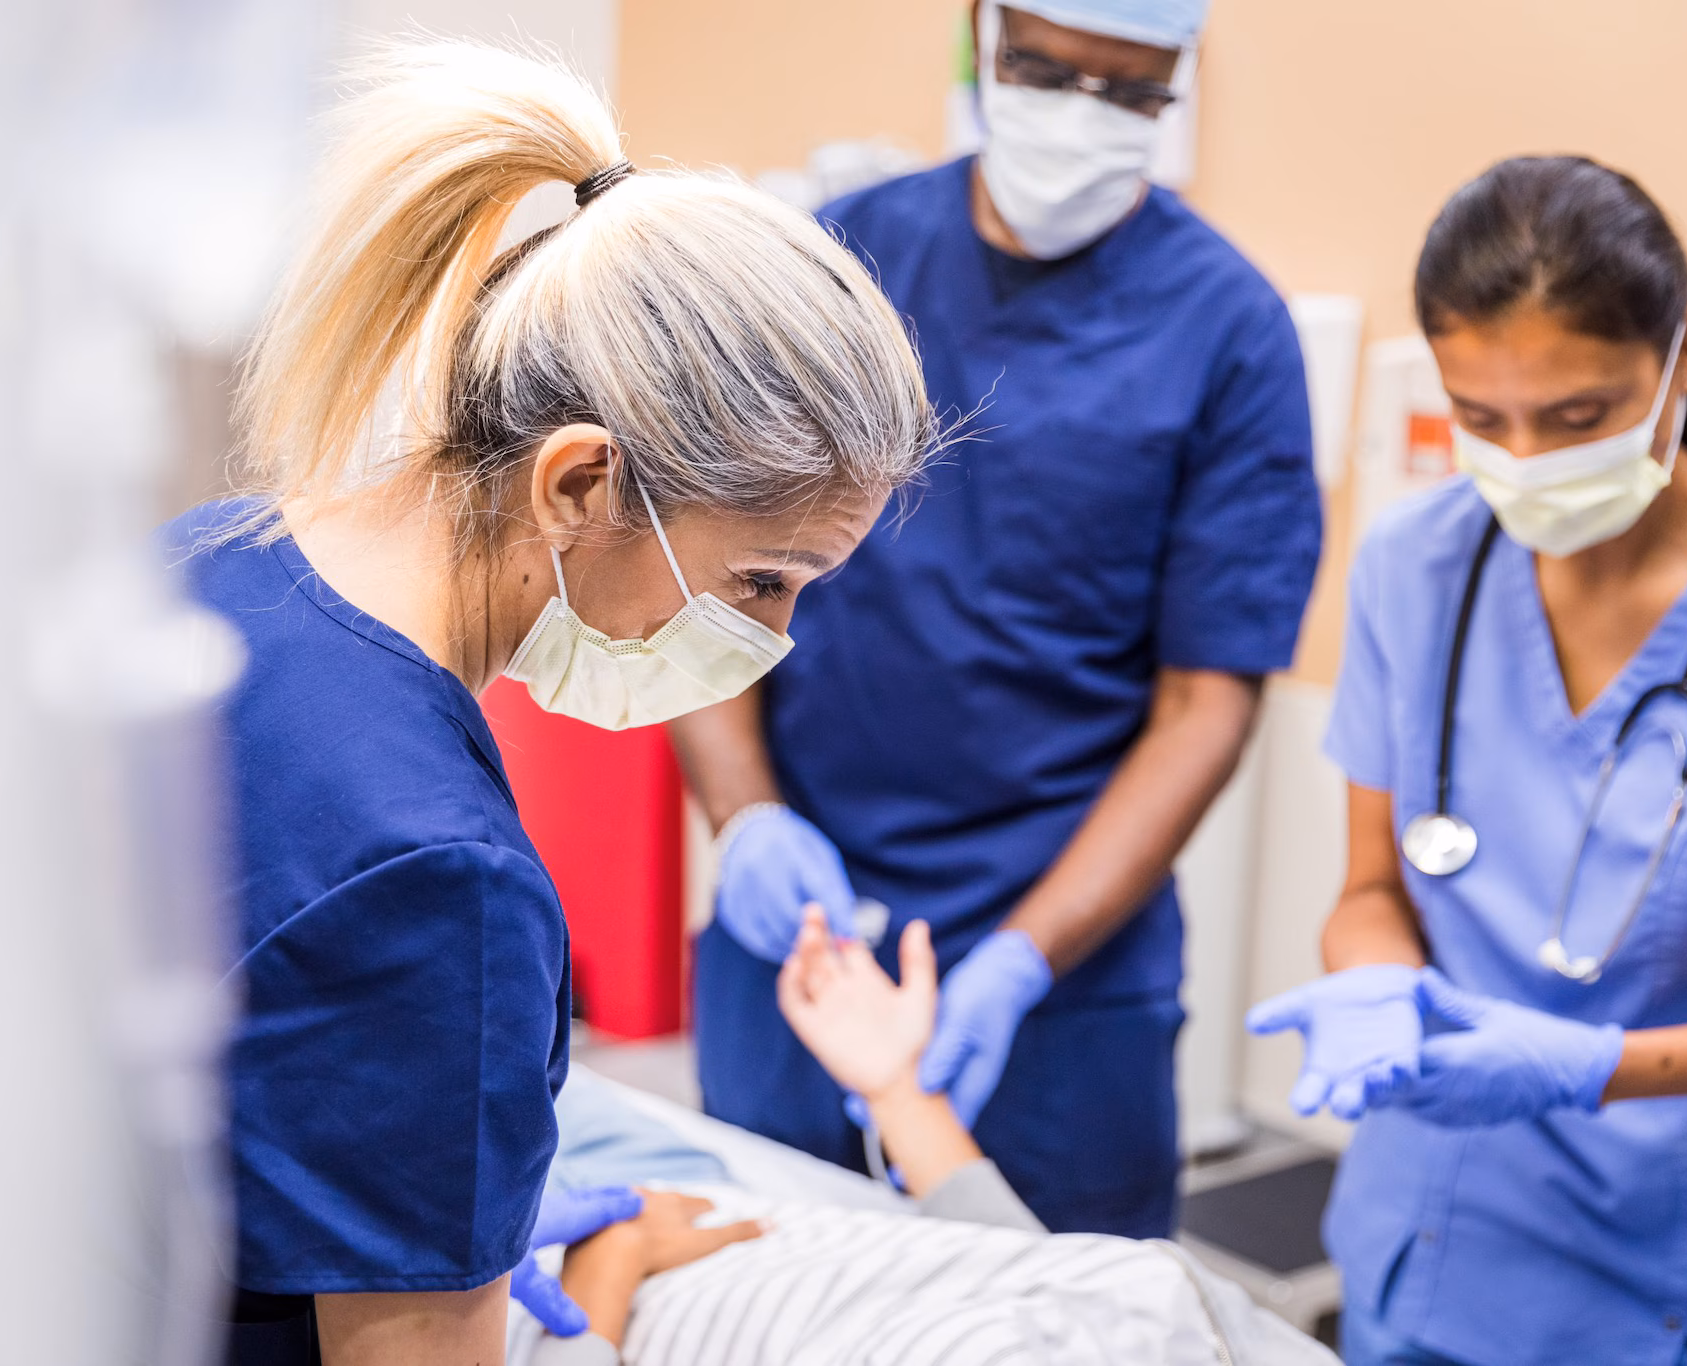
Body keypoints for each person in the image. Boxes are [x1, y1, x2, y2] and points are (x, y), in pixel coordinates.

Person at [161, 40, 937, 1366]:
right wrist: (611, 1274)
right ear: (580, 483)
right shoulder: (435, 874)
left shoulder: (213, 558)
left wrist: (424, 1211)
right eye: (761, 578)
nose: (773, 639)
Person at [672, 0, 1322, 1238]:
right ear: (980, 36)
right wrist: (744, 816)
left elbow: (1206, 702)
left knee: (1054, 1306)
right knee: (767, 1287)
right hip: (802, 932)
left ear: (1178, 78)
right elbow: (703, 578)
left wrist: (1024, 958)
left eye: (1127, 91)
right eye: (1043, 69)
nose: (1078, 114)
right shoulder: (837, 265)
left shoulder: (1228, 332)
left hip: (1062, 976)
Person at [1247, 156, 1687, 1364]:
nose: (1525, 462)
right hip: (1434, 1241)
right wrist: (1367, 987)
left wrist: (1587, 1065)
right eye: (1480, 419)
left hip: (1676, 1264)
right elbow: (1369, 892)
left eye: (1577, 417)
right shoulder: (1413, 565)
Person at [510, 912, 1336, 1365]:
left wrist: (611, 1262)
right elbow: (1051, 1281)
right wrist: (902, 1094)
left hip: (584, 1293)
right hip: (716, 1208)